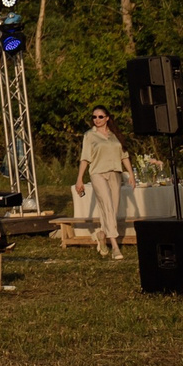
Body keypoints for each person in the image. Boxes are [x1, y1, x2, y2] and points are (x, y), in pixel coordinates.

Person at [76, 106, 134, 259]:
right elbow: (85, 158)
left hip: (115, 172)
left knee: (113, 209)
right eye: (94, 117)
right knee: (107, 205)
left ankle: (102, 234)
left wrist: (131, 174)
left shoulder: (115, 135)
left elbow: (124, 156)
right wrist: (79, 179)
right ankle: (115, 247)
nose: (97, 120)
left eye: (100, 117)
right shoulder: (89, 135)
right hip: (97, 173)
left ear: (107, 118)